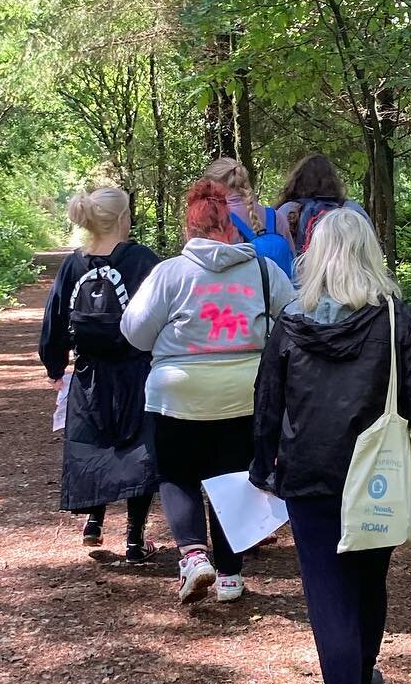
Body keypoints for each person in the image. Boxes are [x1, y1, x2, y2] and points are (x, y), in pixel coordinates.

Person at [251, 208, 411, 684]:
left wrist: (262, 466)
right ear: (370, 252)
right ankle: (360, 683)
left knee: (328, 592)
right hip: (378, 474)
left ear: (314, 255)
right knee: (369, 580)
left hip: (310, 474)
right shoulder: (392, 317)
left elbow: (268, 401)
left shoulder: (291, 320)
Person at [121, 177, 296, 605]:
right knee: (235, 481)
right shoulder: (262, 270)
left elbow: (135, 333)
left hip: (177, 395)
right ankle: (231, 577)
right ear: (233, 228)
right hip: (246, 392)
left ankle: (194, 556)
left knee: (177, 474)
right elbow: (294, 320)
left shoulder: (170, 273)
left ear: (189, 229)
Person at [38, 187, 161, 562]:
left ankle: (94, 521)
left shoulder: (74, 264)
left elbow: (55, 318)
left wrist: (55, 366)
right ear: (124, 218)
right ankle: (135, 540)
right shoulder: (142, 259)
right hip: (136, 370)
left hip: (90, 372)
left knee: (94, 443)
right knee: (139, 449)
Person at [205, 155, 296, 279]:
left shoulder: (220, 220)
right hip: (283, 295)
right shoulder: (277, 217)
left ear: (214, 185)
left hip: (245, 296)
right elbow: (293, 261)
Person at [276, 153, 372, 255]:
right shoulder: (352, 209)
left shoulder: (288, 210)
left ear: (297, 180)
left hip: (302, 269)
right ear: (333, 180)